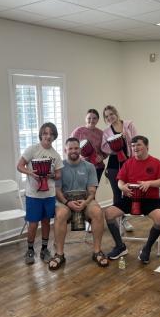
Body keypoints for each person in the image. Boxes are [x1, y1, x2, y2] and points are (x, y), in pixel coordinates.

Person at [104, 135, 160, 263]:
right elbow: (120, 181)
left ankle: (147, 248)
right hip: (130, 198)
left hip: (150, 200)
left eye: (138, 145)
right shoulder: (128, 162)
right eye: (133, 146)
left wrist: (149, 183)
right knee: (108, 213)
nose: (135, 148)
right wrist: (123, 188)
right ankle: (120, 246)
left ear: (147, 146)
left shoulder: (156, 162)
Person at [50, 138, 109, 270]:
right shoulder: (59, 167)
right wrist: (67, 202)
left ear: (80, 150)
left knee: (98, 212)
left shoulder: (89, 166)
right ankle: (59, 254)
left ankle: (97, 251)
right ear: (65, 150)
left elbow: (92, 191)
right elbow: (57, 190)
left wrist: (86, 202)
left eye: (76, 148)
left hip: (85, 199)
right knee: (60, 214)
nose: (73, 151)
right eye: (70, 148)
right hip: (65, 201)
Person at [17, 122, 63, 265]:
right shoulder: (32, 150)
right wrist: (31, 173)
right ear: (41, 135)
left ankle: (44, 249)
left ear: (54, 136)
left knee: (46, 222)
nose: (48, 136)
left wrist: (51, 175)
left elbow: (58, 174)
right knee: (32, 224)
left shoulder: (55, 155)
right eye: (45, 133)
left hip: (49, 194)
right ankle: (30, 249)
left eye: (51, 134)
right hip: (33, 195)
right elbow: (19, 166)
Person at [101, 105, 137, 232]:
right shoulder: (106, 132)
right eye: (107, 116)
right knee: (117, 192)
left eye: (111, 114)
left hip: (129, 161)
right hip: (113, 165)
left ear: (116, 113)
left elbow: (135, 142)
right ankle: (118, 220)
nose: (110, 117)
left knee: (127, 191)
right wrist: (115, 150)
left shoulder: (128, 124)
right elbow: (103, 147)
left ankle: (125, 219)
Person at [70, 109, 107, 183]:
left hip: (97, 168)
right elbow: (69, 147)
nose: (91, 120)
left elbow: (106, 151)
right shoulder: (78, 131)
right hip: (81, 167)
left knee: (93, 192)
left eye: (94, 118)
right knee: (82, 191)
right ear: (85, 119)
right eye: (89, 118)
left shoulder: (101, 133)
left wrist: (102, 157)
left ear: (98, 120)